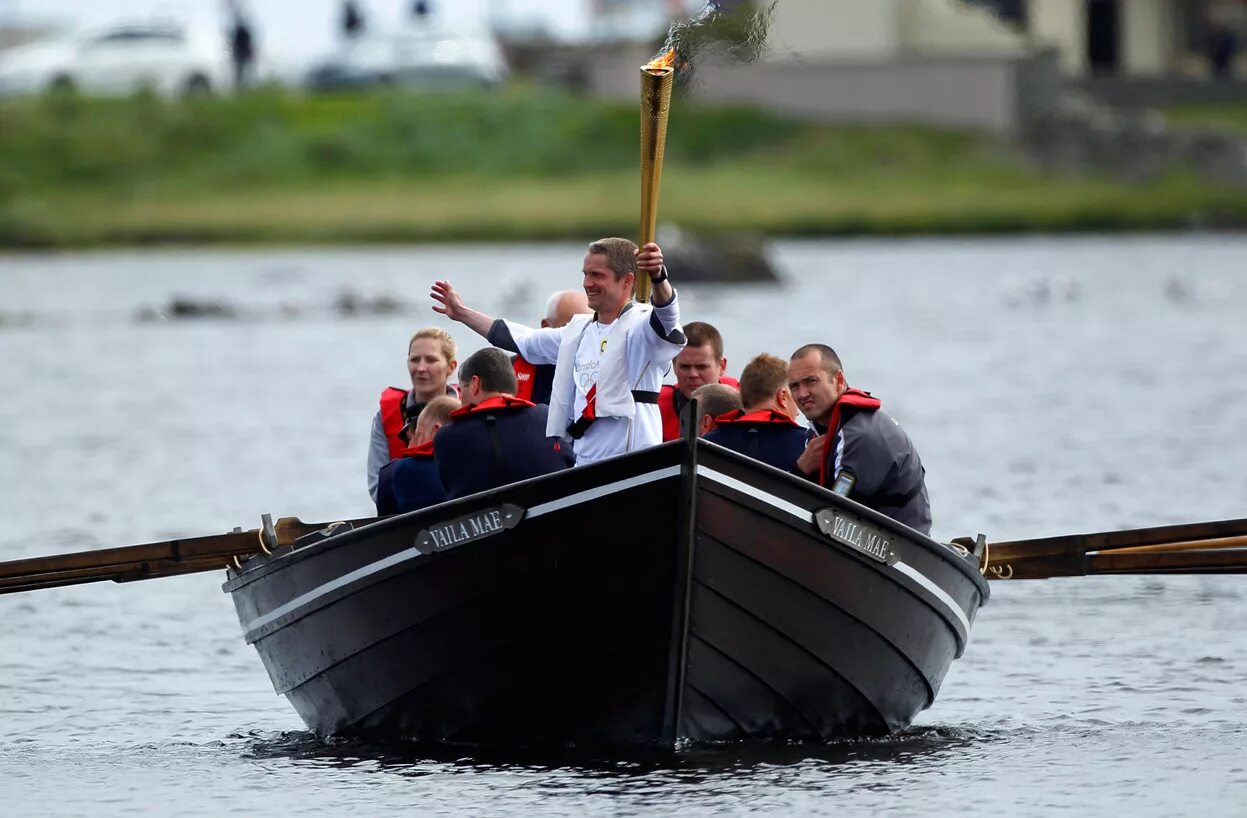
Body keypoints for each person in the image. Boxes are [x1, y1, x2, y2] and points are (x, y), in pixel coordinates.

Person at [430, 238, 684, 467]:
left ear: (627, 280)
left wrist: (658, 277)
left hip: (634, 461)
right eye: (585, 274)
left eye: (597, 275)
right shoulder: (577, 332)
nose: (587, 283)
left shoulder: (642, 327)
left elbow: (667, 315)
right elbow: (520, 339)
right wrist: (462, 313)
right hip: (585, 461)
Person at [788, 344, 931, 535]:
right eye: (794, 386)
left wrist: (800, 471)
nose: (802, 394)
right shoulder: (823, 428)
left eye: (811, 381)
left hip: (899, 551)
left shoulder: (860, 435)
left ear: (838, 380)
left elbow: (832, 516)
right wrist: (802, 469)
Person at [434, 348, 574, 499]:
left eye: (461, 391)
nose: (460, 401)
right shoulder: (548, 417)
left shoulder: (446, 437)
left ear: (475, 384)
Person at [367, 327, 458, 503]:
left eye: (431, 360)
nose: (421, 368)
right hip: (405, 514)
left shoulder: (470, 409)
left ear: (451, 367)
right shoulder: (384, 415)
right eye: (415, 360)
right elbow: (376, 486)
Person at [705, 353, 807, 472]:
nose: (798, 412)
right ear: (783, 397)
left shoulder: (706, 444)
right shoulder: (807, 446)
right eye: (793, 392)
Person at [375, 395, 459, 515]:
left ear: (437, 431)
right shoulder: (478, 462)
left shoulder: (397, 472)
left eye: (418, 435)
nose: (411, 447)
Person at [658, 321, 739, 441]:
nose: (693, 375)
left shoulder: (747, 405)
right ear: (674, 365)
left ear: (722, 366)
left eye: (701, 367)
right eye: (685, 367)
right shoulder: (654, 408)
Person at [514, 290, 590, 405]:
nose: (582, 337)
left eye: (588, 328)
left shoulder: (601, 370)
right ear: (546, 327)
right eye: (571, 327)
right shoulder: (509, 371)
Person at [226, 3, 256, 90]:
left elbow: (233, 44)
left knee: (241, 74)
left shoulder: (239, 32)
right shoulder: (243, 32)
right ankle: (243, 89)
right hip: (241, 55)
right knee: (241, 74)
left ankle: (242, 89)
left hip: (241, 55)